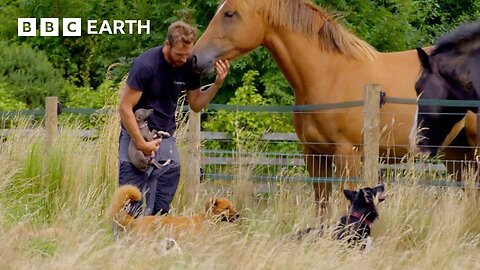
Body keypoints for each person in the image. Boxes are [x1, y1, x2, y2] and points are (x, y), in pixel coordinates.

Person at [117, 21, 230, 217]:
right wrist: (142, 144)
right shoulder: (146, 65)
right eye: (179, 54)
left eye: (187, 53)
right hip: (137, 137)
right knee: (130, 207)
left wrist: (217, 85)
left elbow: (195, 104)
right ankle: (124, 245)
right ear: (166, 45)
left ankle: (155, 244)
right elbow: (125, 108)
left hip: (166, 139)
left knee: (161, 206)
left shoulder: (188, 66)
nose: (184, 59)